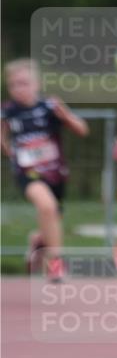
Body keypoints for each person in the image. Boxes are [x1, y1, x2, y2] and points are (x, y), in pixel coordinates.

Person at [1, 58, 89, 281]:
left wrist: (66, 115)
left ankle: (38, 241)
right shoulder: (7, 111)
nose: (19, 89)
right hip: (27, 173)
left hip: (55, 173)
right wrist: (9, 149)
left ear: (36, 83)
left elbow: (82, 130)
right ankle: (56, 265)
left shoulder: (50, 107)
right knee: (47, 207)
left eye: (24, 83)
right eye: (13, 85)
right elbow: (3, 137)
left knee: (51, 217)